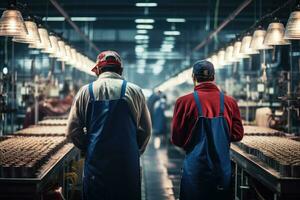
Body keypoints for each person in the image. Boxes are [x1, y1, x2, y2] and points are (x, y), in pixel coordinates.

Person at [67, 50, 152, 200]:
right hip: (126, 164)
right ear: (120, 70)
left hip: (96, 165)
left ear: (98, 70)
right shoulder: (135, 91)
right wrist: (134, 149)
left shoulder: (85, 92)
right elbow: (146, 130)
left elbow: (72, 131)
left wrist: (88, 147)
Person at [171, 60, 244, 200]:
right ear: (214, 77)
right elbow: (237, 135)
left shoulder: (183, 102)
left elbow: (177, 139)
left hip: (195, 171)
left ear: (193, 77)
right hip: (222, 171)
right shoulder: (230, 102)